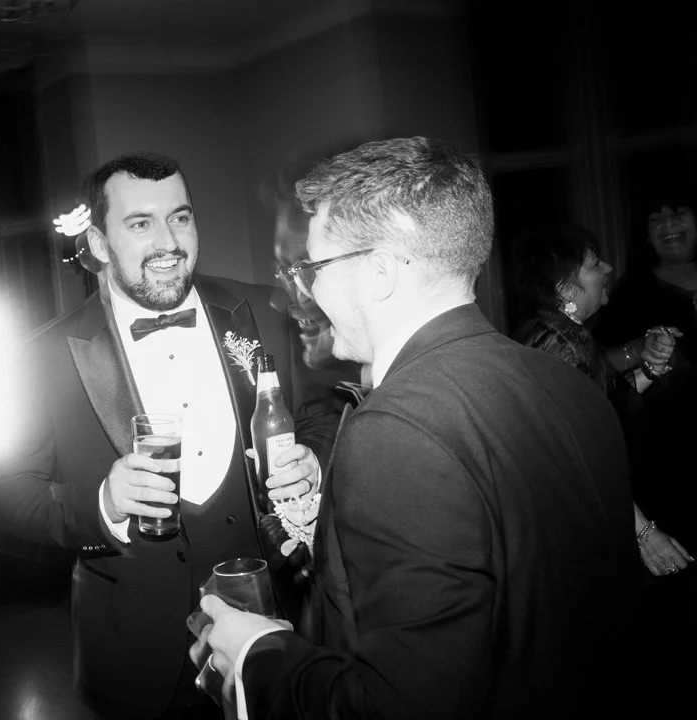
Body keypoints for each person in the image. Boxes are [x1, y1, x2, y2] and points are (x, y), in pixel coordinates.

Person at [191, 137, 641, 719]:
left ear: (378, 273)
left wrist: (256, 656)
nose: (304, 291)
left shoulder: (393, 431)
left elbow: (399, 705)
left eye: (312, 268)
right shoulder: (569, 383)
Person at [0, 151, 339, 720]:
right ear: (97, 243)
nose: (169, 240)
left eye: (181, 217)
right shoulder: (39, 357)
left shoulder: (260, 313)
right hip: (138, 661)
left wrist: (311, 456)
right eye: (140, 223)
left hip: (274, 630)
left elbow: (317, 411)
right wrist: (102, 502)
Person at [509, 223, 690, 577]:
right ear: (565, 288)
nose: (607, 269)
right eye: (594, 265)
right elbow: (583, 454)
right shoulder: (560, 345)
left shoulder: (560, 332)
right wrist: (645, 533)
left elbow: (602, 403)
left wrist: (651, 369)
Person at [592, 192, 697, 717]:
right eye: (653, 215)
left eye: (677, 210)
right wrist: (645, 357)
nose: (667, 223)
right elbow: (607, 392)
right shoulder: (631, 296)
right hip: (669, 474)